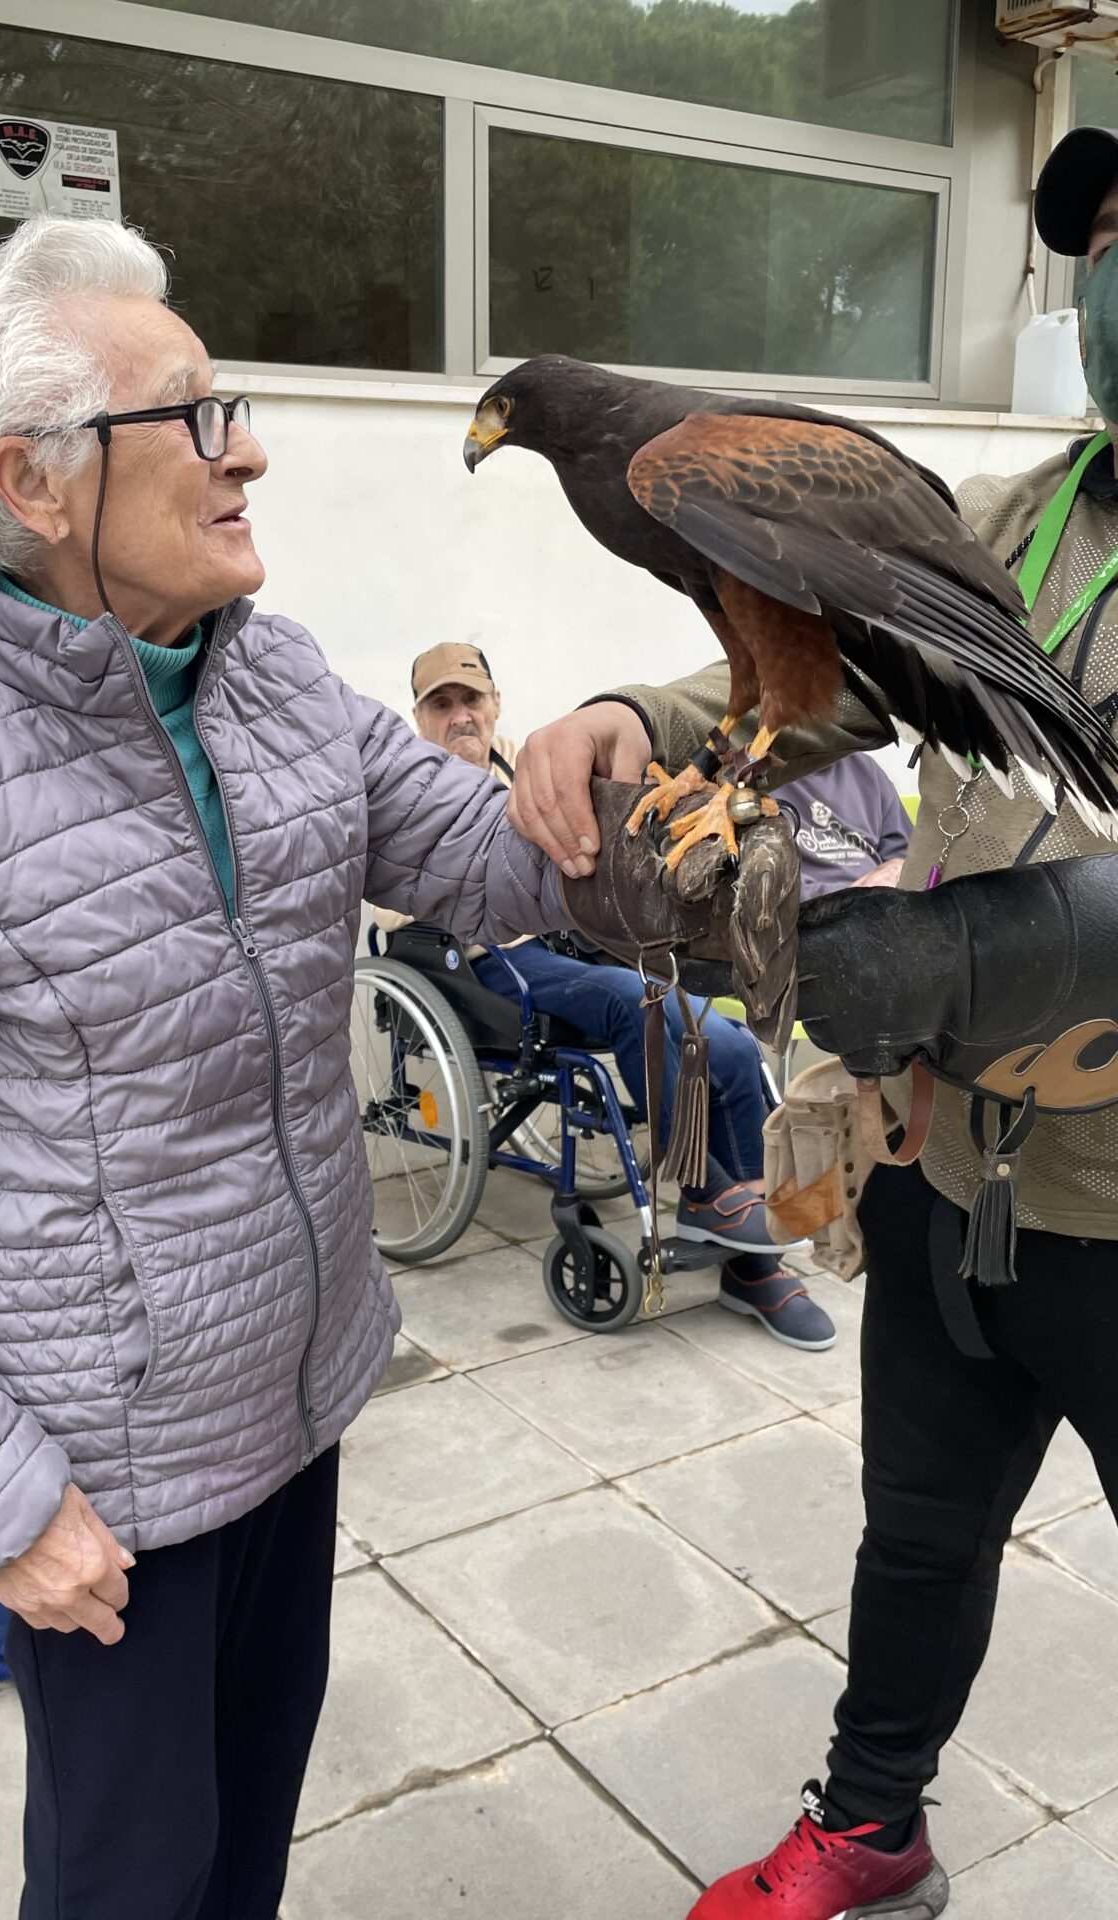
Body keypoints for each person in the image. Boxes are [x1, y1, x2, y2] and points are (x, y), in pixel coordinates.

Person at [0, 215, 569, 1920]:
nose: (246, 448)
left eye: (225, 402)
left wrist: (635, 748)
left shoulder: (285, 688)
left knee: (245, 1845)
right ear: (33, 484)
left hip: (298, 1407)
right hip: (96, 1497)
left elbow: (509, 870)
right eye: (188, 414)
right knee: (129, 1882)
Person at [502, 125, 1118, 1920]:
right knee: (918, 1538)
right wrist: (643, 717)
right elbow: (832, 661)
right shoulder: (1040, 513)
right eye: (1104, 239)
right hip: (949, 1157)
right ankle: (872, 1837)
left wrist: (1005, 946)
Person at [379, 642, 835, 1353]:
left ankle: (756, 1259)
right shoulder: (399, 784)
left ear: (495, 704)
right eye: (441, 705)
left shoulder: (520, 762)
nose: (460, 716)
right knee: (633, 1002)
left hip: (567, 942)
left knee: (726, 1035)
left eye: (471, 700)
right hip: (477, 965)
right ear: (419, 718)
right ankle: (704, 1187)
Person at [778, 757, 913, 899]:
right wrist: (853, 896)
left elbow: (909, 856)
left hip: (881, 905)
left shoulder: (866, 769)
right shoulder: (760, 776)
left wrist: (899, 868)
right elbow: (767, 888)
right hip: (808, 912)